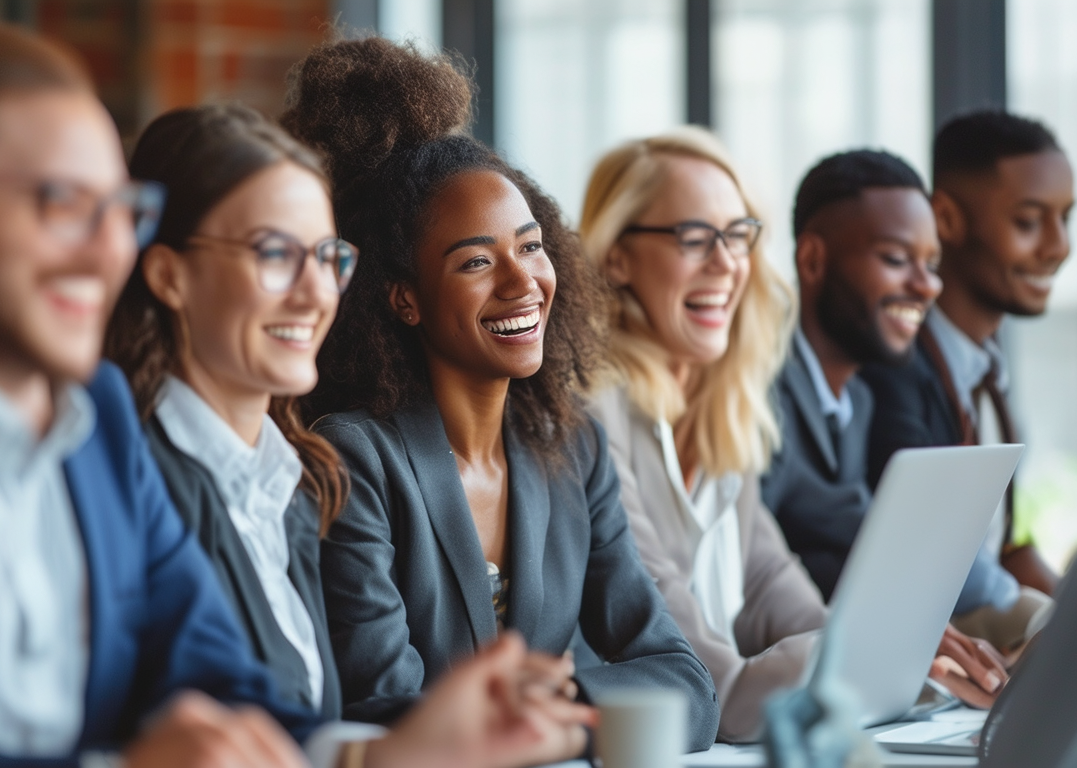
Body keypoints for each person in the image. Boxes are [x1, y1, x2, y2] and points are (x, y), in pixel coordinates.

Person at [0, 25, 594, 768]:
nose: (108, 246)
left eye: (121, 211)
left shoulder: (97, 432)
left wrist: (389, 752)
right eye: (60, 204)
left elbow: (222, 683)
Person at [281, 37, 720, 752]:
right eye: (477, 261)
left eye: (532, 245)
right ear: (404, 299)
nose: (522, 283)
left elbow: (686, 687)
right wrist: (572, 721)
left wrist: (559, 712)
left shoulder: (571, 446)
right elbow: (385, 708)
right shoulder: (354, 458)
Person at [105, 104, 353, 721]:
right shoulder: (128, 479)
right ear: (169, 274)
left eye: (327, 257)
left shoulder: (293, 483)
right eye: (275, 254)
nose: (317, 291)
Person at [577, 126, 824, 742]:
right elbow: (722, 693)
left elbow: (774, 589)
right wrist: (859, 655)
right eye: (694, 238)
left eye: (739, 236)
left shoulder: (723, 410)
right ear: (617, 255)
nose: (727, 263)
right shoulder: (590, 410)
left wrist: (892, 649)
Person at [759, 149, 1009, 706]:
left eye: (932, 263)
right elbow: (757, 578)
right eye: (897, 259)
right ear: (814, 259)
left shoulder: (861, 404)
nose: (928, 286)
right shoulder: (752, 397)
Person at [860, 111, 1070, 651]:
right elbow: (939, 562)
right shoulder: (891, 374)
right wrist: (1060, 629)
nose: (1058, 246)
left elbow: (1008, 550)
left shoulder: (986, 372)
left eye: (1064, 219)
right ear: (946, 219)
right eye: (1029, 222)